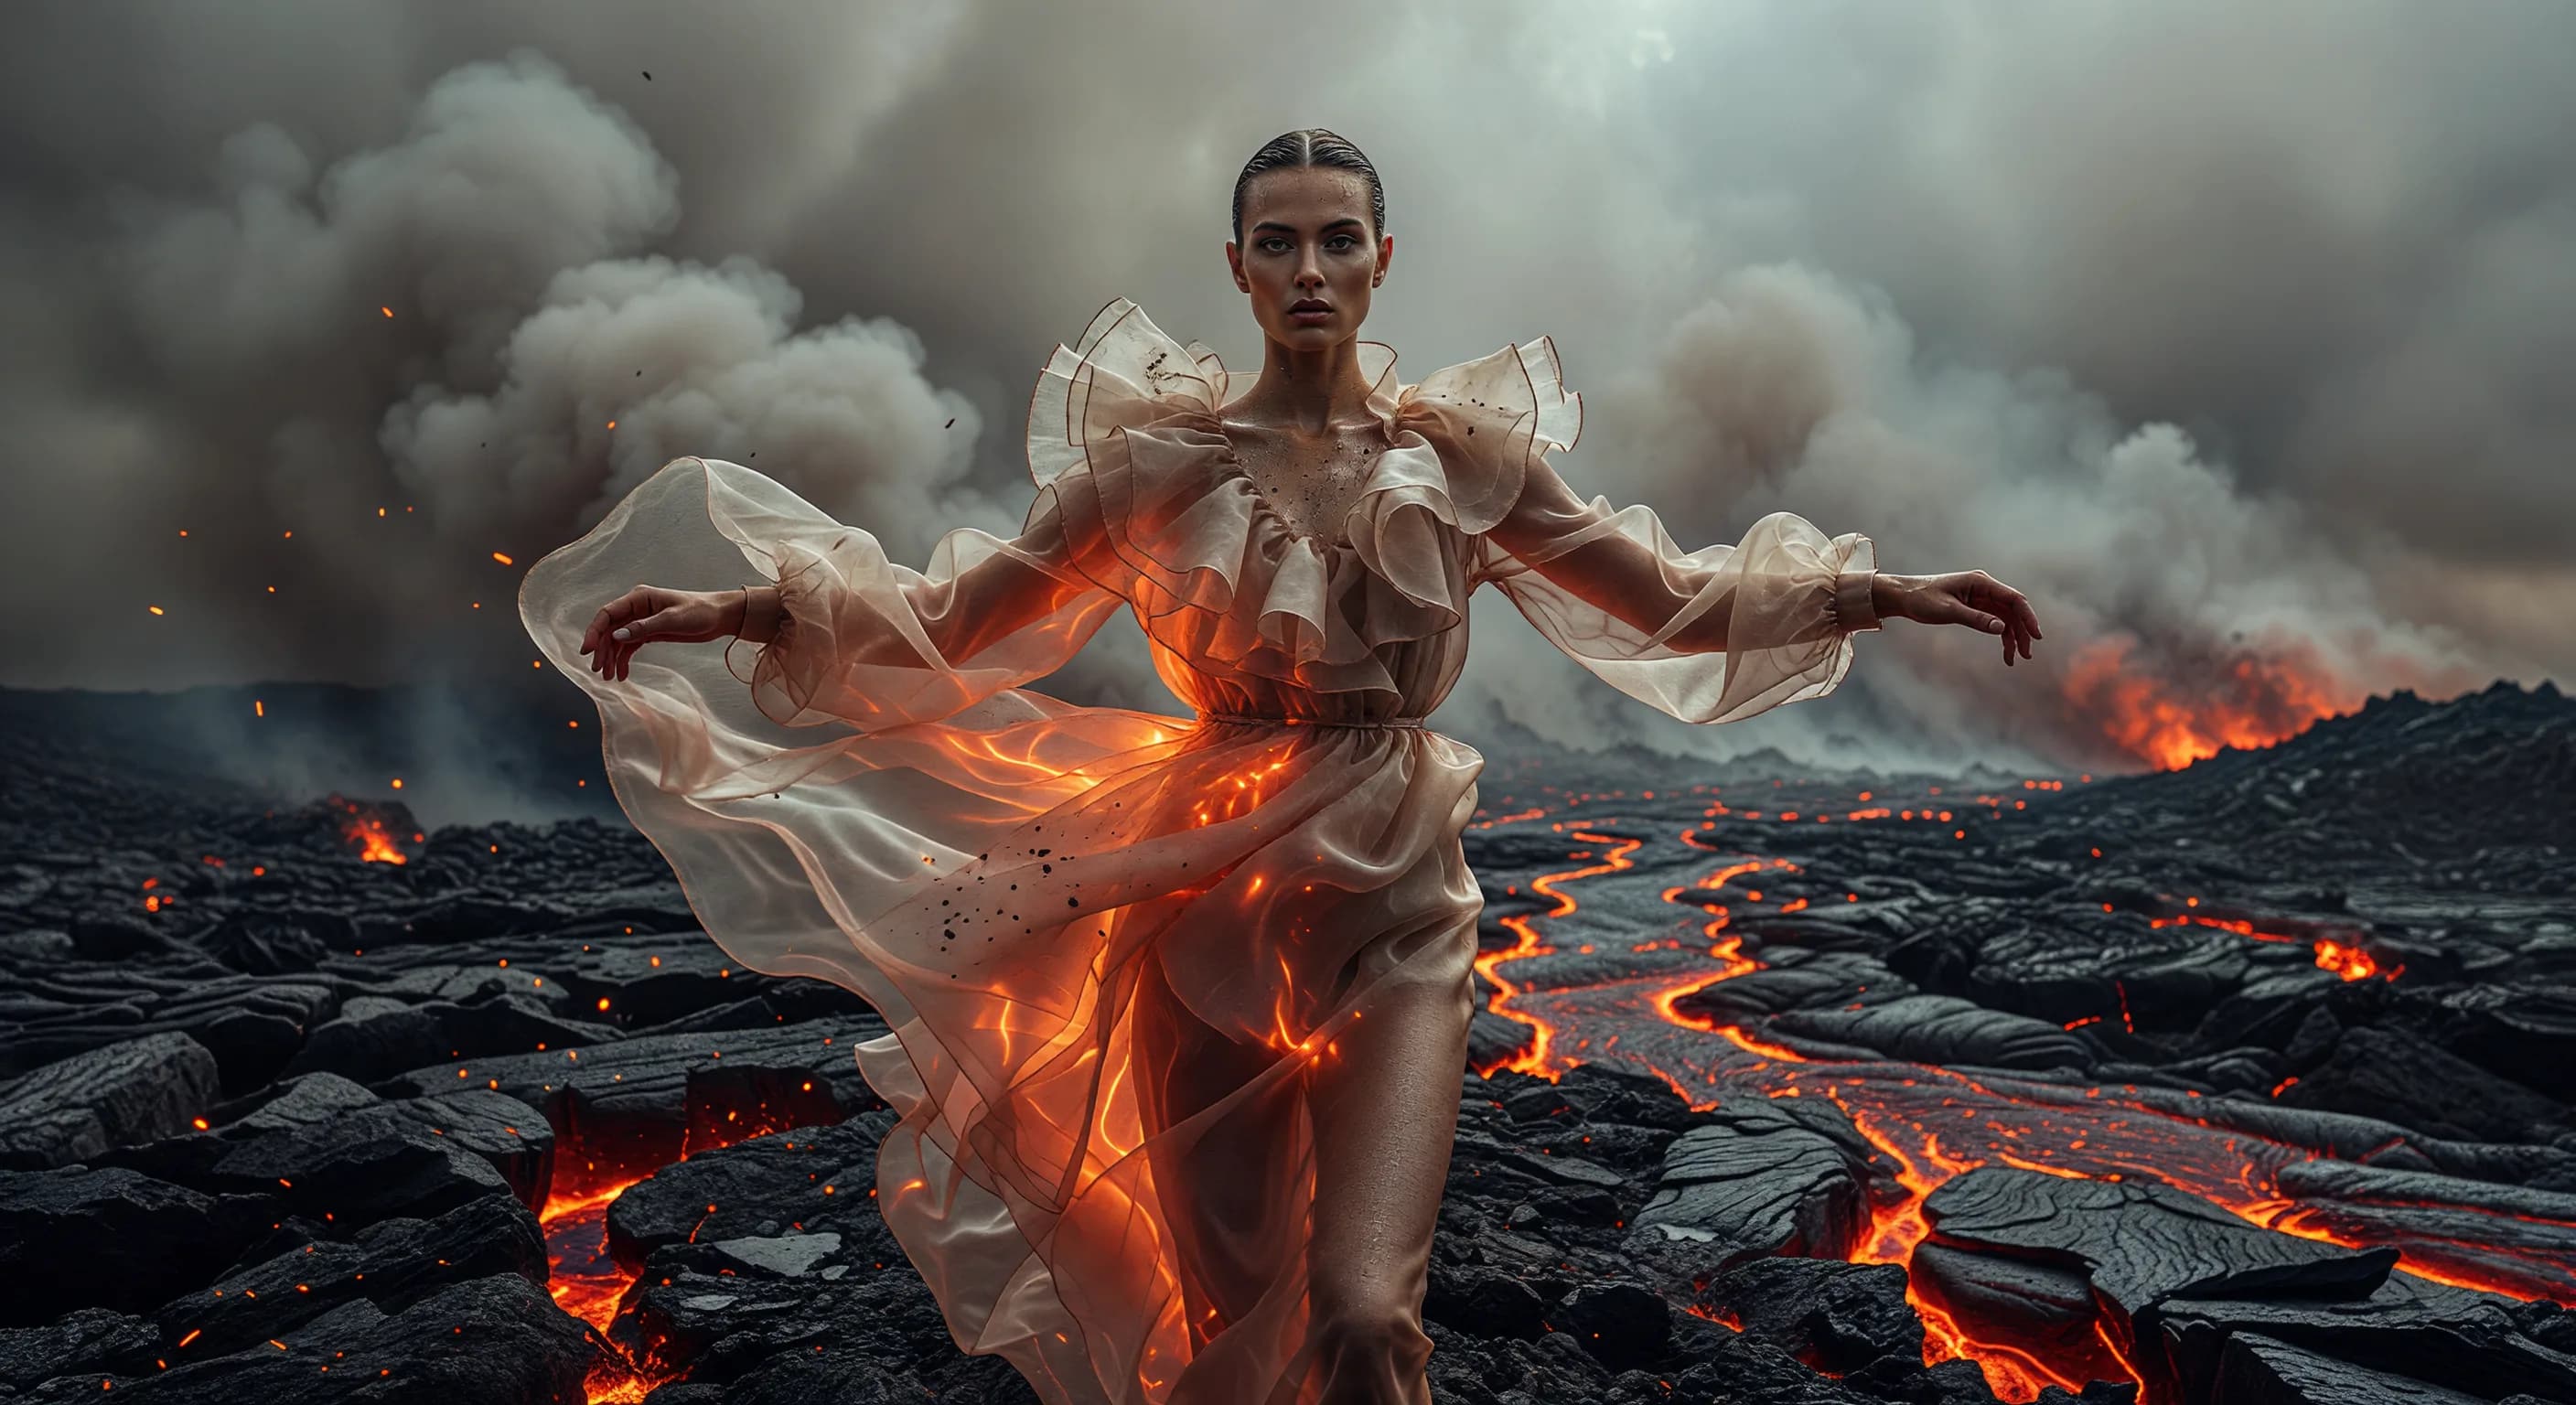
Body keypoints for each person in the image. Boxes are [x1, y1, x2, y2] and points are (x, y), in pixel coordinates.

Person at [517, 127, 2040, 1405]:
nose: (1310, 270)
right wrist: (745, 607)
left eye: (1339, 241)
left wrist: (1875, 590)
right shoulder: (1158, 464)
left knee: (1371, 1313)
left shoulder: (1459, 457)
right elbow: (954, 622)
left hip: (1401, 903)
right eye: (1278, 243)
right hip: (1200, 897)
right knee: (1226, 1329)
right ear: (1235, 267)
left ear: (1386, 261)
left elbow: (1667, 598)